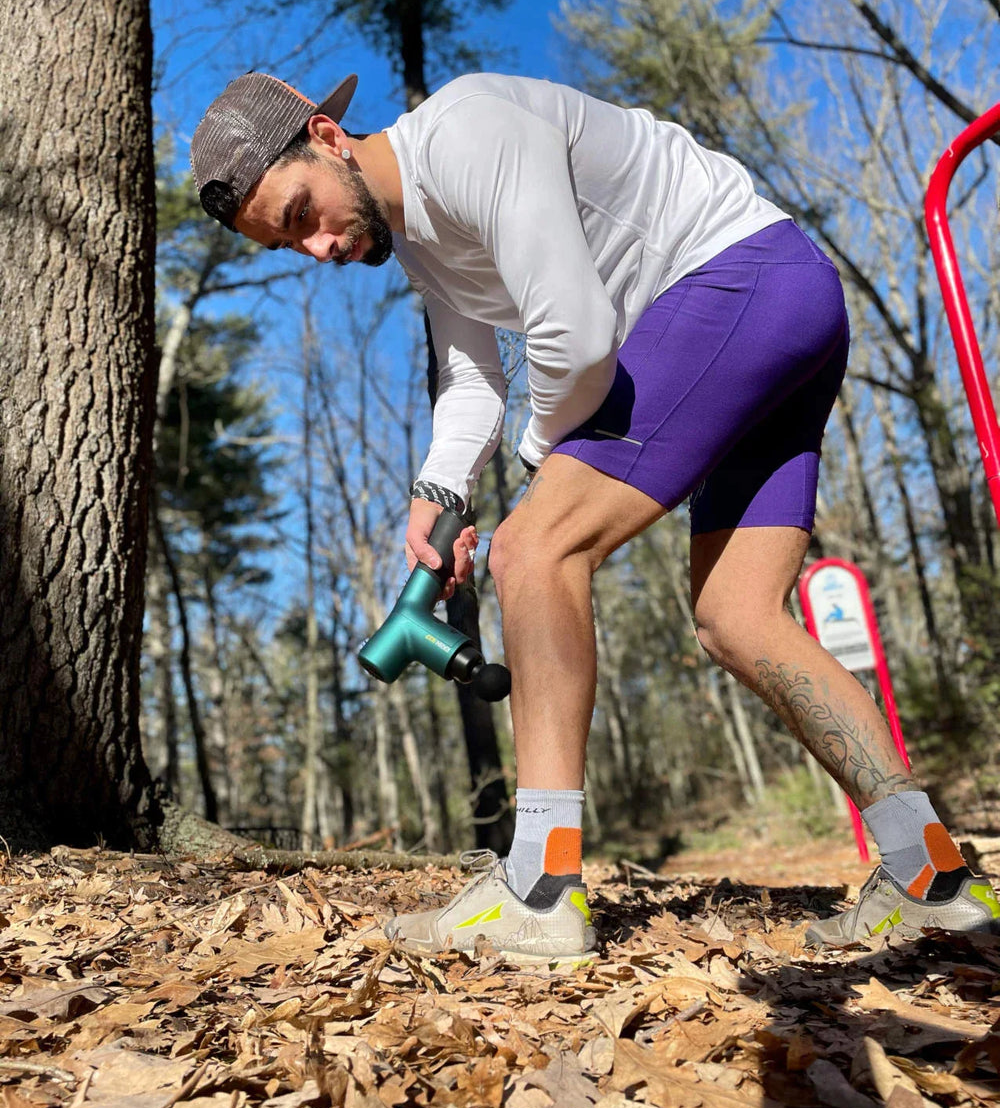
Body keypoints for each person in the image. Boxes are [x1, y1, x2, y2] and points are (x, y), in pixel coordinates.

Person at [191, 69, 1000, 961]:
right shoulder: (421, 244)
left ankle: (539, 887)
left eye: (302, 214)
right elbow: (473, 378)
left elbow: (573, 335)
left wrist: (538, 478)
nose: (317, 250)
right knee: (738, 617)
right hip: (779, 305)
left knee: (535, 552)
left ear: (328, 136)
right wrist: (441, 488)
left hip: (735, 281)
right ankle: (933, 874)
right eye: (286, 244)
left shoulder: (467, 131)